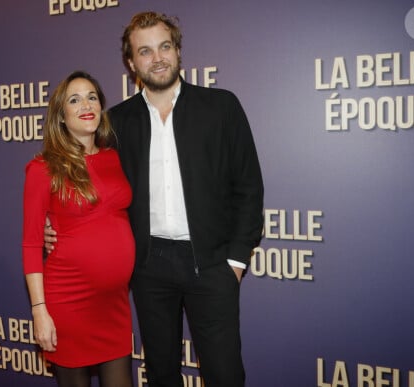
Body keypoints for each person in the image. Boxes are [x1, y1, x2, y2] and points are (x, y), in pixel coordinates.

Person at [46, 11, 264, 387]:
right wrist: (57, 226)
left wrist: (235, 260)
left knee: (225, 374)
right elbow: (88, 182)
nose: (157, 57)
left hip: (212, 264)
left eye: (164, 46)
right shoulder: (116, 122)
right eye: (145, 51)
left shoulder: (221, 107)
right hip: (148, 268)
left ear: (178, 51)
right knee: (161, 374)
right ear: (132, 63)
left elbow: (248, 186)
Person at [22, 70, 134, 387]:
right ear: (61, 115)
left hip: (114, 306)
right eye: (75, 99)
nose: (86, 104)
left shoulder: (114, 158)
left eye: (92, 97)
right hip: (69, 303)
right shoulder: (42, 169)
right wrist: (39, 312)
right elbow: (31, 245)